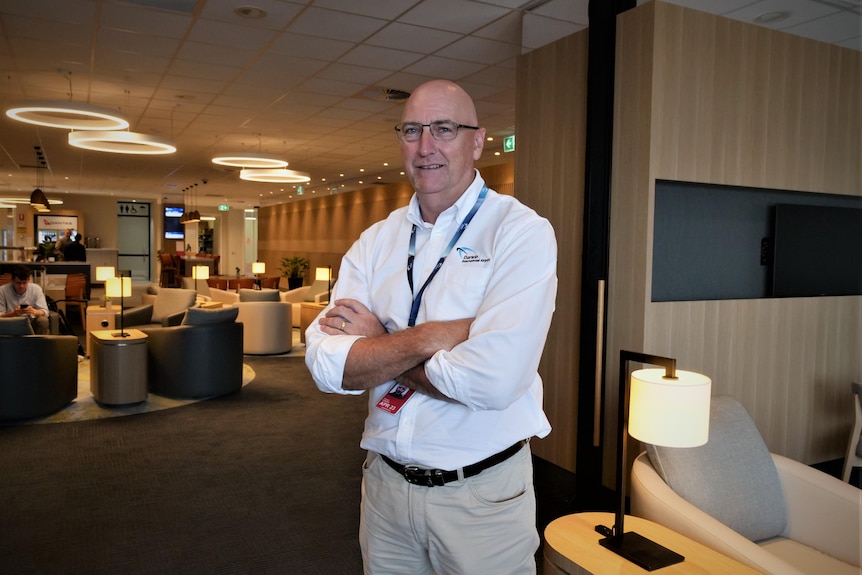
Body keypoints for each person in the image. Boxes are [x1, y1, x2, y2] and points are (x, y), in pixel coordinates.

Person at [305, 80, 557, 575]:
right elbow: (327, 365)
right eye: (413, 130)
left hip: (481, 498)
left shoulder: (520, 232)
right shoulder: (376, 241)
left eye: (444, 129)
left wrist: (378, 345)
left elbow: (493, 381)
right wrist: (431, 337)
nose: (426, 146)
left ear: (477, 140)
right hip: (384, 490)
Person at [0, 264, 51, 334]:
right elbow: (0, 315)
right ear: (12, 280)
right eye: (18, 283)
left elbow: (45, 312)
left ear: (29, 280)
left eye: (24, 283)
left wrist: (34, 311)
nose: (21, 286)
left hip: (31, 320)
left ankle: (39, 344)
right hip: (10, 321)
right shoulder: (2, 290)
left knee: (43, 320)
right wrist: (13, 313)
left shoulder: (36, 289)